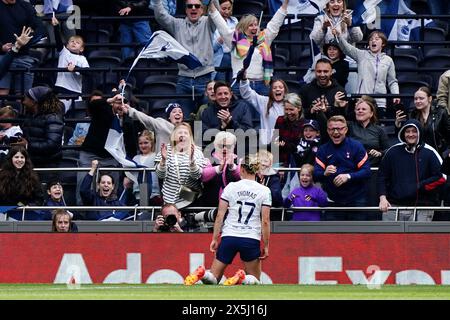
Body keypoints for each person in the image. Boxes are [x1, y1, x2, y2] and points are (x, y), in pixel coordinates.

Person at [184, 155, 271, 286]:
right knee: (255, 280)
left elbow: (220, 215)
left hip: (229, 236)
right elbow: (265, 220)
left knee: (213, 279)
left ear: (241, 169)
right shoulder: (264, 191)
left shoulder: (230, 187)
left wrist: (214, 238)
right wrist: (266, 245)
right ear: (258, 171)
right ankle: (242, 277)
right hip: (250, 237)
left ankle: (203, 274)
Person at [153, 0, 227, 116]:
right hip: (184, 80)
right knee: (185, 119)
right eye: (190, 6)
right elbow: (160, 15)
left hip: (205, 79)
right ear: (186, 10)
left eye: (197, 6)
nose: (193, 8)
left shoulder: (208, 22)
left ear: (202, 10)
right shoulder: (177, 24)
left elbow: (216, 12)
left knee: (208, 118)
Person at [211, 0, 289, 95]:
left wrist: (285, 4)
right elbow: (221, 25)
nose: (254, 27)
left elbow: (275, 24)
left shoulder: (264, 38)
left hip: (262, 85)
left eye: (256, 25)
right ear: (243, 27)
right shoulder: (235, 39)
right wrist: (210, 5)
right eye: (250, 25)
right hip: (240, 83)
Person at [378, 119, 446, 221]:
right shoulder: (392, 151)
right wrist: (382, 198)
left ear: (420, 133)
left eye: (414, 131)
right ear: (403, 133)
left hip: (422, 208)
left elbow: (442, 176)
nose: (410, 134)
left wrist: (420, 185)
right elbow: (382, 176)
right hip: (393, 206)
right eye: (407, 131)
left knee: (419, 238)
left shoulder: (430, 152)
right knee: (390, 237)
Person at [314, 115, 372, 220]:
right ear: (327, 131)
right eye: (332, 129)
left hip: (356, 199)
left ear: (345, 129)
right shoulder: (323, 149)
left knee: (357, 235)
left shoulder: (356, 146)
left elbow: (366, 171)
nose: (336, 132)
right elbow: (316, 174)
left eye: (339, 129)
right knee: (332, 235)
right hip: (333, 200)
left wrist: (348, 176)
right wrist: (324, 173)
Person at [334, 29, 400, 118]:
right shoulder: (361, 55)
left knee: (377, 128)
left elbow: (392, 81)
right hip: (362, 99)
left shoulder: (388, 60)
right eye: (371, 39)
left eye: (377, 39)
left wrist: (396, 94)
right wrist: (338, 36)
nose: (373, 41)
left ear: (383, 43)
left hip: (379, 102)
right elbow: (347, 48)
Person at [155, 122, 208, 208]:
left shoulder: (197, 152)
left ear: (190, 137)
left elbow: (197, 176)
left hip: (190, 200)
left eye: (186, 133)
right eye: (180, 132)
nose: (182, 135)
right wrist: (163, 160)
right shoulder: (165, 150)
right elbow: (160, 175)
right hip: (169, 200)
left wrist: (191, 161)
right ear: (174, 135)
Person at [0, 0, 47, 95]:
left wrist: (27, 40)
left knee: (23, 96)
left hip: (24, 56)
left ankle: (19, 110)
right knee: (2, 92)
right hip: (2, 56)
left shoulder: (26, 6)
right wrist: (1, 47)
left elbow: (40, 28)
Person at [395, 86, 450, 157]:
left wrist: (447, 152)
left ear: (430, 99)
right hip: (418, 155)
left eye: (421, 98)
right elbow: (406, 137)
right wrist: (398, 124)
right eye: (415, 99)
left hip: (438, 154)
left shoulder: (441, 112)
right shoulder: (412, 114)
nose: (417, 101)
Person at [52, 15, 89, 114]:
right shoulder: (64, 52)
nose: (74, 43)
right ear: (67, 45)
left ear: (81, 48)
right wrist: (56, 27)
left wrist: (76, 68)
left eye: (77, 42)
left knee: (75, 119)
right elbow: (58, 42)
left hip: (75, 92)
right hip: (61, 90)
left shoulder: (82, 59)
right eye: (72, 41)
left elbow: (88, 72)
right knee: (59, 116)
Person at [20, 86, 64, 167]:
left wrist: (28, 145)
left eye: (26, 99)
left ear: (34, 101)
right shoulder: (30, 115)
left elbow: (52, 144)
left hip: (48, 166)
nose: (24, 102)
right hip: (31, 162)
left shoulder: (53, 118)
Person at [343, 94, 391, 167]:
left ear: (371, 113)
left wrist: (379, 153)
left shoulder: (379, 130)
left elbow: (388, 150)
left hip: (373, 167)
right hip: (352, 167)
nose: (360, 111)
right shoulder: (349, 126)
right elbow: (335, 123)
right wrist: (338, 108)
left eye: (363, 109)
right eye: (358, 109)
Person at [239, 77, 287, 146]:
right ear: (271, 91)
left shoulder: (290, 104)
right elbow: (247, 93)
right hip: (267, 144)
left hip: (285, 144)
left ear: (285, 90)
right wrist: (243, 80)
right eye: (274, 88)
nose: (277, 89)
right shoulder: (264, 102)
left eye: (280, 87)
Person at [0, 146, 43, 221]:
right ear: (11, 159)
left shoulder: (33, 177)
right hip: (4, 213)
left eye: (22, 157)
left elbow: (39, 198)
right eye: (16, 157)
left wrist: (28, 205)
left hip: (25, 213)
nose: (19, 160)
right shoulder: (1, 176)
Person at [200, 131, 240, 207]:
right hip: (210, 203)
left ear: (233, 147)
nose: (224, 149)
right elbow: (203, 176)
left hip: (234, 205)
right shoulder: (207, 159)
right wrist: (218, 168)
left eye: (228, 146)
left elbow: (243, 176)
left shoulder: (239, 160)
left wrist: (233, 167)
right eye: (221, 146)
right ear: (215, 145)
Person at [124, 130, 162, 206]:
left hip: (153, 194)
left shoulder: (156, 156)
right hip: (137, 193)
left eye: (146, 143)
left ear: (151, 143)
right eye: (140, 143)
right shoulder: (135, 158)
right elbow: (132, 175)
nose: (143, 146)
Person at [273, 92, 305, 169]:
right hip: (281, 159)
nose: (288, 112)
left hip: (298, 162)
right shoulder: (280, 120)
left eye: (291, 109)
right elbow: (275, 142)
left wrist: (285, 145)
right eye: (286, 109)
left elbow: (300, 147)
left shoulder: (304, 124)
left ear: (299, 108)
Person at [212, 0, 237, 82]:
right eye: (224, 9)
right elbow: (211, 49)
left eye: (229, 8)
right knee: (221, 87)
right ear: (217, 8)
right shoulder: (210, 23)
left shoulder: (235, 21)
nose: (227, 11)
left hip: (234, 58)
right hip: (219, 60)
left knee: (233, 88)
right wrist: (221, 39)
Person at [255, 150, 283, 219]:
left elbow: (276, 198)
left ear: (270, 164)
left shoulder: (274, 177)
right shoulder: (252, 176)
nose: (263, 164)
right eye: (260, 161)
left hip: (270, 214)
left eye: (266, 161)